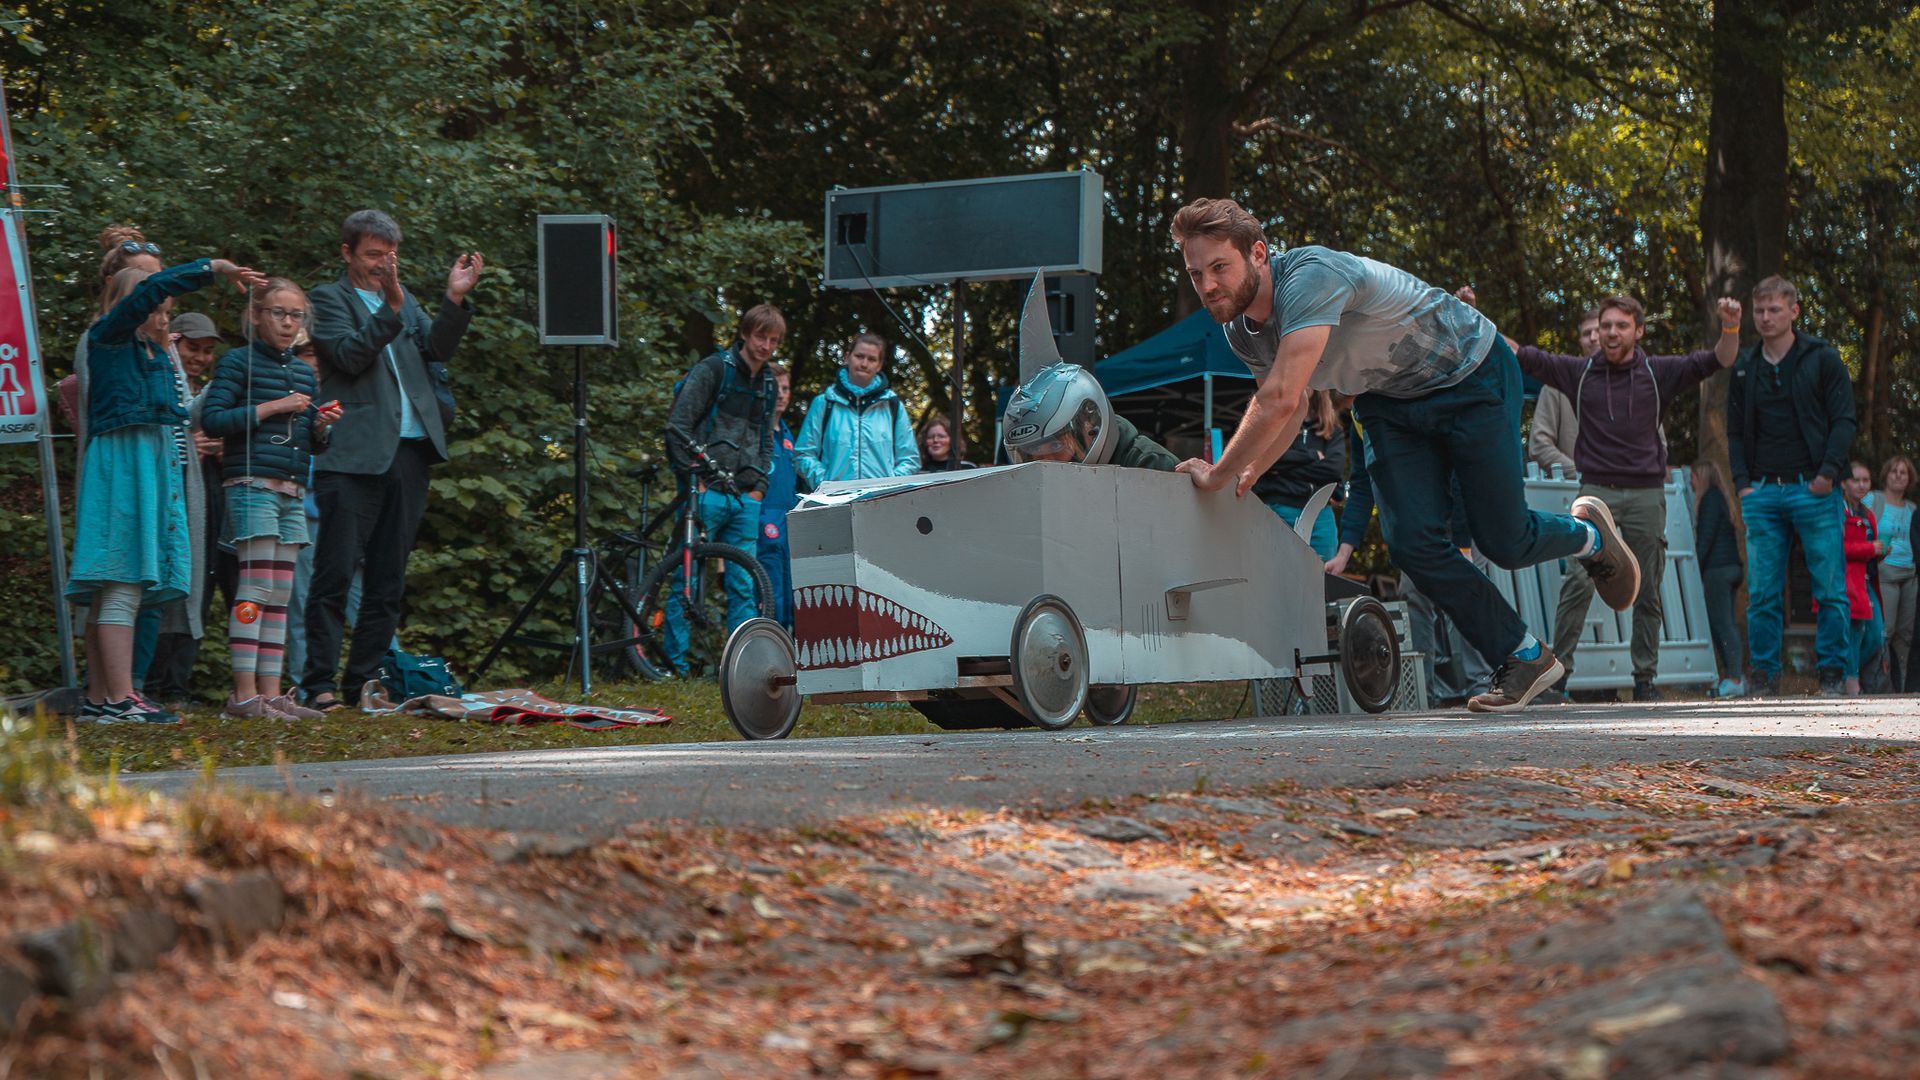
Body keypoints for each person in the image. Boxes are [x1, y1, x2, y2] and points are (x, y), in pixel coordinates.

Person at [1168, 197, 1638, 714]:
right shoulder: (1241, 330)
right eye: (1196, 274)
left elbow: (1277, 397)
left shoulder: (1309, 277)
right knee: (1414, 544)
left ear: (1257, 253)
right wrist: (1250, 472)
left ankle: (1591, 537)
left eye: (1219, 268)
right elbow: (1294, 405)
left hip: (1468, 371)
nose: (1209, 285)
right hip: (1388, 401)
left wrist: (1217, 475)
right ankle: (1522, 653)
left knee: (1504, 540)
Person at [68, 256, 266, 724]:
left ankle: (102, 697)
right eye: (159, 309)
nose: (162, 317)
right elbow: (146, 295)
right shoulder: (109, 336)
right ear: (132, 304)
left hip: (149, 461)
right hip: (124, 462)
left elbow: (175, 413)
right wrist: (213, 266)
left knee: (118, 586)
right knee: (121, 579)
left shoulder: (152, 354)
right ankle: (121, 698)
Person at [1518, 293, 1743, 701]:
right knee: (1578, 583)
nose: (1611, 332)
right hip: (1595, 493)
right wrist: (1474, 316)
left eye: (1621, 325)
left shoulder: (1659, 373)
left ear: (1638, 331)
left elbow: (1719, 359)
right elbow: (1527, 357)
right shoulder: (1580, 373)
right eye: (1606, 325)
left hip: (1644, 493)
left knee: (1649, 587)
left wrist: (1730, 326)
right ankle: (1558, 680)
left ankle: (1645, 681)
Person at [300, 210, 482, 710]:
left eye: (390, 256)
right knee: (334, 573)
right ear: (347, 254)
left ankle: (363, 683)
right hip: (353, 455)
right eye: (373, 255)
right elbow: (349, 357)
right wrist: (390, 310)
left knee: (387, 579)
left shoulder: (407, 300)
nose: (383, 265)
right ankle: (317, 683)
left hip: (410, 452)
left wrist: (454, 298)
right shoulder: (326, 300)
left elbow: (437, 349)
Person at [200, 280, 342, 720]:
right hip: (250, 485)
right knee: (254, 589)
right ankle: (243, 697)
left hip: (292, 489)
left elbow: (312, 445)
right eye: (278, 313)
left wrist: (321, 426)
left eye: (295, 315)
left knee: (280, 593)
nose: (286, 322)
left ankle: (272, 694)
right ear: (257, 315)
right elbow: (213, 419)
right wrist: (272, 407)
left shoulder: (303, 373)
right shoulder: (237, 363)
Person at [1727, 275, 1855, 698]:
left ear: (1794, 311)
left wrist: (1828, 474)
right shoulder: (1746, 367)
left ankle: (1833, 675)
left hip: (1813, 491)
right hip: (1762, 493)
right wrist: (1743, 484)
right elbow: (1734, 433)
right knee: (1762, 592)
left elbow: (1843, 421)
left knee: (1829, 588)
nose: (1765, 318)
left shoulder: (1822, 358)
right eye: (1760, 311)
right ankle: (1764, 676)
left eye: (1774, 310)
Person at [662, 304, 782, 674]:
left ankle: (740, 670)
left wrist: (759, 486)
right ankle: (674, 665)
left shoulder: (768, 383)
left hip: (746, 497)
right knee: (686, 578)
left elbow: (766, 440)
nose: (766, 346)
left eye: (774, 340)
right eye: (761, 336)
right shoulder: (714, 369)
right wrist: (692, 478)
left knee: (744, 585)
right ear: (745, 333)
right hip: (707, 491)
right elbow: (678, 425)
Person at [143, 311, 232, 707]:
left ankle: (177, 687)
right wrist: (187, 449)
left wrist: (218, 449)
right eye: (192, 348)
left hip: (211, 493)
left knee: (202, 584)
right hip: (170, 497)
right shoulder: (162, 384)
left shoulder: (213, 395)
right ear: (174, 344)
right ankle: (150, 685)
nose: (200, 357)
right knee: (173, 585)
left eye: (208, 351)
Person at [1002, 362, 1179, 470]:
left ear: (1090, 428)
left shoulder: (1151, 465)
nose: (1045, 462)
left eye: (1056, 445)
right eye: (1034, 450)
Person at [793, 333, 919, 485]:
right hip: (834, 500)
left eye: (872, 359)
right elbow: (803, 454)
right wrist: (825, 483)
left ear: (879, 365)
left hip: (882, 501)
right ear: (847, 357)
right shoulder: (824, 403)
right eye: (859, 356)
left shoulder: (892, 405)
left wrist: (890, 485)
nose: (864, 364)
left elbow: (910, 459)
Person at [1251, 389, 1346, 561]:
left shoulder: (1333, 430)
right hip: (1277, 509)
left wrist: (1284, 467)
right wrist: (1313, 456)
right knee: (1275, 572)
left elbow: (1333, 470)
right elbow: (1266, 459)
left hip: (1320, 515)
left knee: (1322, 579)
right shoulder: (1273, 423)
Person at [1691, 460, 1746, 697]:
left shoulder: (1709, 500)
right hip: (1732, 567)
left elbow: (1706, 538)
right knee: (1726, 623)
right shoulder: (1722, 498)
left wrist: (1696, 566)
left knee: (1722, 624)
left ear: (1699, 476)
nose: (1691, 482)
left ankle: (1734, 677)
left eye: (1692, 477)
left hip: (1718, 569)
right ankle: (1733, 676)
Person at [1527, 307, 1600, 477]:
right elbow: (1539, 446)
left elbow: (1657, 445)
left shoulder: (1636, 383)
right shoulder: (1556, 385)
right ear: (1580, 341)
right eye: (1587, 333)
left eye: (1598, 330)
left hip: (1630, 493)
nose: (1593, 338)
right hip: (1575, 493)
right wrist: (1582, 475)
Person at [1863, 455, 1915, 690]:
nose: (1898, 476)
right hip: (1884, 571)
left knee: (1906, 633)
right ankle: (1877, 684)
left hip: (1910, 574)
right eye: (1894, 471)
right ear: (1886, 475)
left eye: (1903, 472)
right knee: (1886, 629)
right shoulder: (1874, 499)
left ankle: (1904, 685)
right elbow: (1857, 522)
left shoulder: (1913, 508)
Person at [757, 363, 802, 628]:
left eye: (786, 388)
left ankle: (790, 654)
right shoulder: (756, 430)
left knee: (791, 589)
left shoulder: (786, 433)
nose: (782, 394)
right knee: (769, 590)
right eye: (776, 388)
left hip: (789, 521)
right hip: (765, 522)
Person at [1840, 461, 1886, 695]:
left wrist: (1879, 552)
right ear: (1844, 483)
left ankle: (1852, 673)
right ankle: (1850, 679)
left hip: (1867, 579)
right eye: (1856, 480)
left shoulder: (1867, 514)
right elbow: (1838, 547)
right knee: (1854, 631)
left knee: (1877, 634)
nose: (1861, 485)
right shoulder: (1839, 510)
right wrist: (1869, 548)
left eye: (1866, 480)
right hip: (1847, 580)